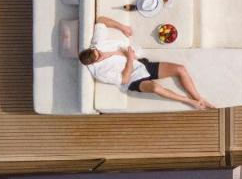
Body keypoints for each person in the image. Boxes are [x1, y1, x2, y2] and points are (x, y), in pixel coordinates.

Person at [77, 16, 215, 110]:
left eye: (98, 52)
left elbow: (101, 20)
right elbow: (124, 80)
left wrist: (122, 27)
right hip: (133, 80)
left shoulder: (97, 44)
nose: (101, 53)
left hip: (141, 65)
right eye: (100, 57)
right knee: (155, 88)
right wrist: (129, 58)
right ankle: (189, 101)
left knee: (180, 69)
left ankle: (199, 99)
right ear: (94, 62)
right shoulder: (100, 72)